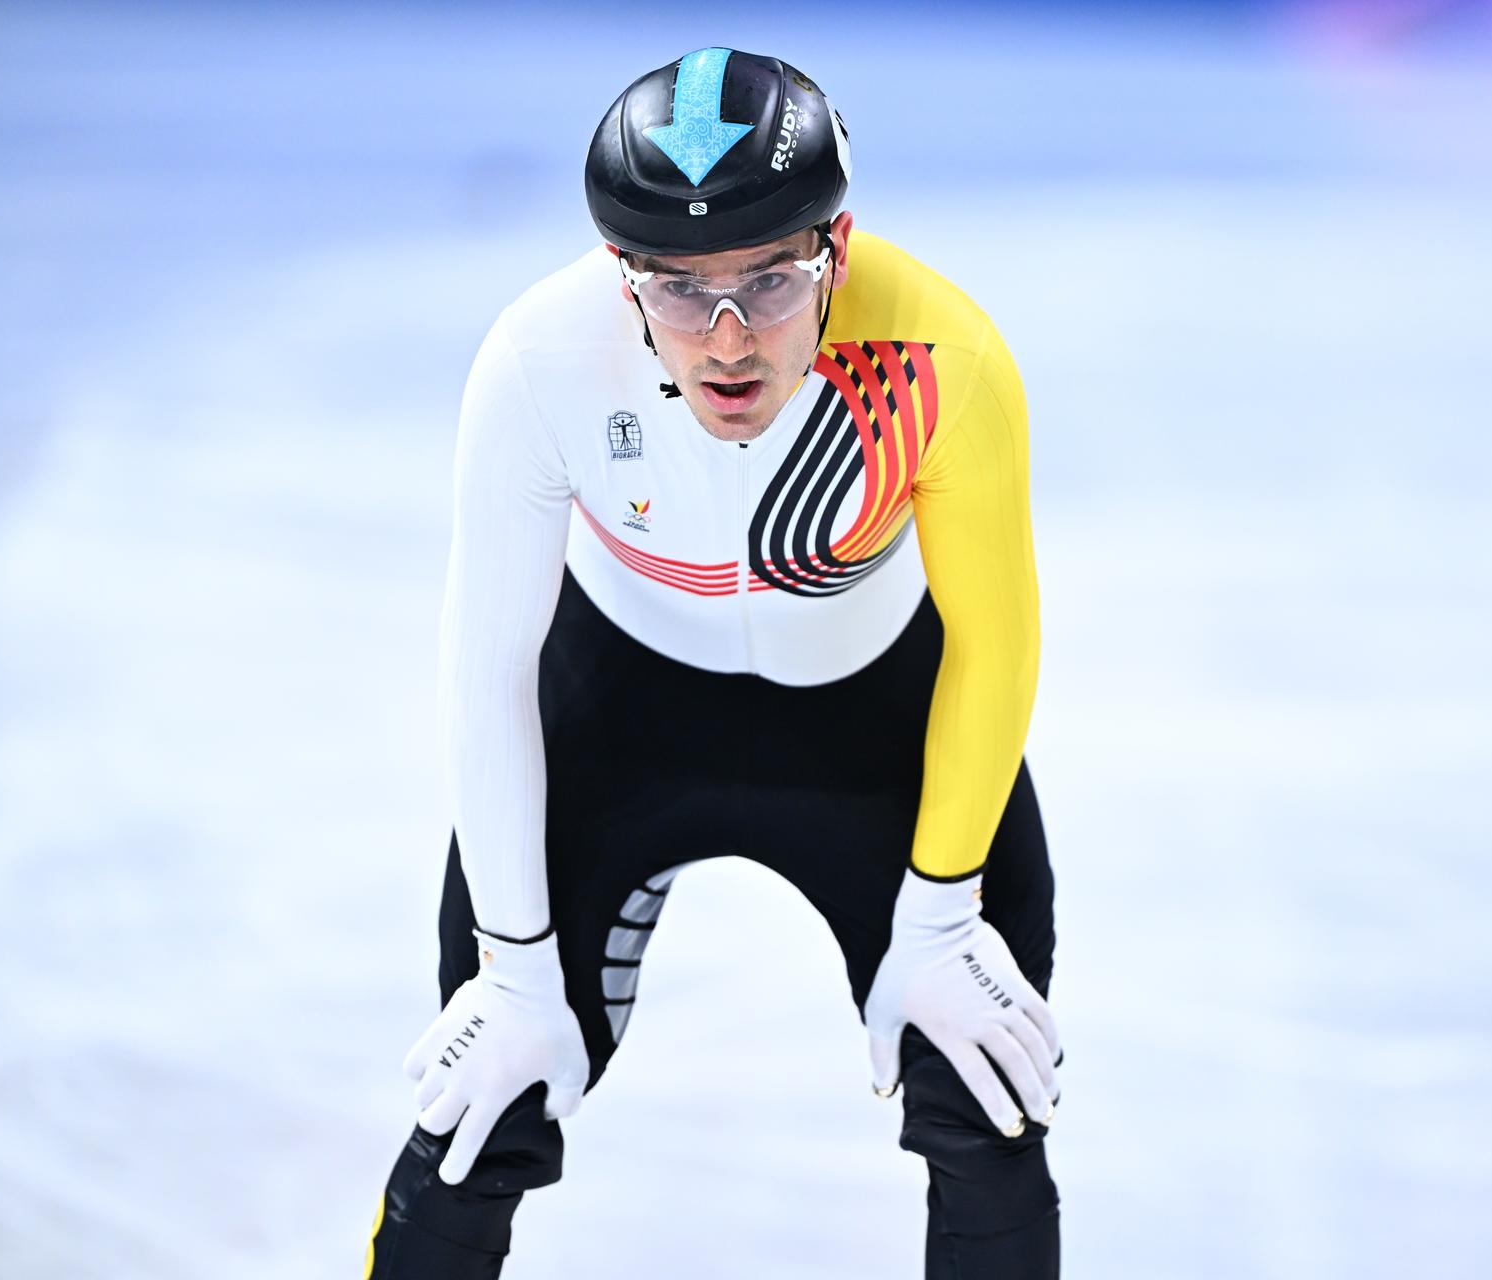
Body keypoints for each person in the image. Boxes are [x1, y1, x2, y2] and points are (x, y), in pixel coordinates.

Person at [361, 47, 1063, 1279]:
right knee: (479, 1111)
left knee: (986, 1105)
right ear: (621, 275)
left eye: (771, 281)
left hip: (877, 726)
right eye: (681, 290)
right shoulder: (539, 360)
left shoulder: (943, 357)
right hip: (616, 718)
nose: (729, 338)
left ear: (836, 249)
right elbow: (485, 669)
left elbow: (994, 641)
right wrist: (514, 971)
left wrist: (945, 910)